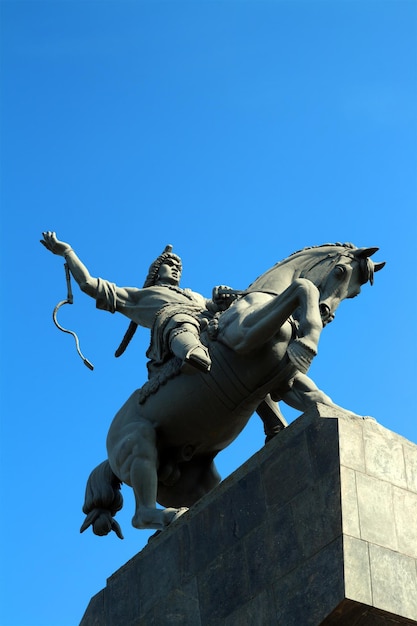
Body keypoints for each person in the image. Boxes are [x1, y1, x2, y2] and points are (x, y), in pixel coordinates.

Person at [41, 232, 236, 375]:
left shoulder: (193, 295)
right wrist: (67, 252)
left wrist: (222, 297)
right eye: (170, 265)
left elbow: (213, 306)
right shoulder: (140, 296)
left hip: (209, 324)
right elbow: (89, 284)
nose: (176, 269)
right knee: (180, 321)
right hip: (175, 329)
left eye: (179, 268)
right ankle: (193, 351)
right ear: (157, 270)